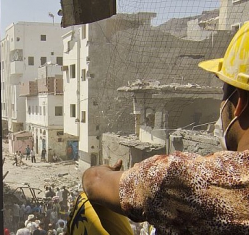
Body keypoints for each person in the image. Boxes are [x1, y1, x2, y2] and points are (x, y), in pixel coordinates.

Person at [80, 22, 249, 234]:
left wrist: (104, 172)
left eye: (224, 92)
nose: (220, 103)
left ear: (239, 102)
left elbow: (93, 181)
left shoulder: (180, 179)